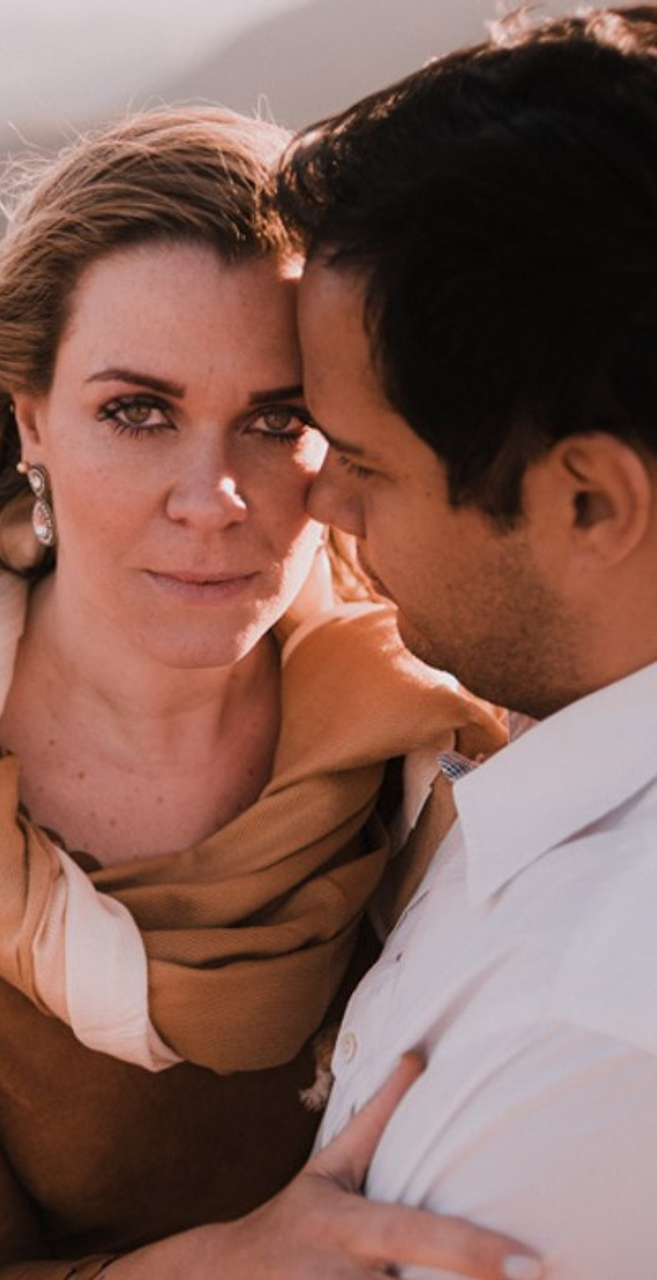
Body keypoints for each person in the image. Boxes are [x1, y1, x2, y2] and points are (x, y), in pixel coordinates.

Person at [0, 108, 539, 1279]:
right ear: (30, 417)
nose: (211, 497)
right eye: (136, 412)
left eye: (275, 418)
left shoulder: (453, 736)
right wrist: (245, 1259)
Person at [275, 7, 657, 1276]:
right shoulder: (541, 740)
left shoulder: (591, 1034)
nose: (317, 503)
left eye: (366, 465)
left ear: (586, 502)